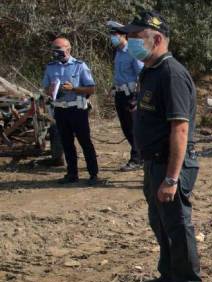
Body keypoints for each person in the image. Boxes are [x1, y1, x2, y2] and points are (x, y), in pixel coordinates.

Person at [122, 11, 202, 282]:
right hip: (153, 162)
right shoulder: (150, 70)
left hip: (171, 165)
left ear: (157, 39)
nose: (130, 42)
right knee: (159, 221)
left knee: (178, 226)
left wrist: (171, 178)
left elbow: (180, 128)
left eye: (136, 37)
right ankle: (169, 274)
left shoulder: (171, 73)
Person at [41, 37, 99, 184]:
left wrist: (73, 88)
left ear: (68, 49)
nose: (56, 52)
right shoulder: (51, 67)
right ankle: (72, 174)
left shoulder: (80, 66)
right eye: (54, 49)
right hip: (60, 110)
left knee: (85, 142)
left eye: (59, 49)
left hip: (77, 109)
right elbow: (45, 88)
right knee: (66, 143)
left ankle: (93, 174)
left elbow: (91, 88)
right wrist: (51, 90)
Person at [107, 20, 144, 171]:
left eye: (115, 34)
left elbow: (141, 75)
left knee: (134, 128)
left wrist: (136, 98)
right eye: (111, 35)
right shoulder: (118, 53)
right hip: (120, 94)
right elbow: (120, 74)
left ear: (124, 35)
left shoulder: (133, 52)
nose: (113, 38)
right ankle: (139, 156)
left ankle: (136, 158)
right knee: (126, 128)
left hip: (131, 96)